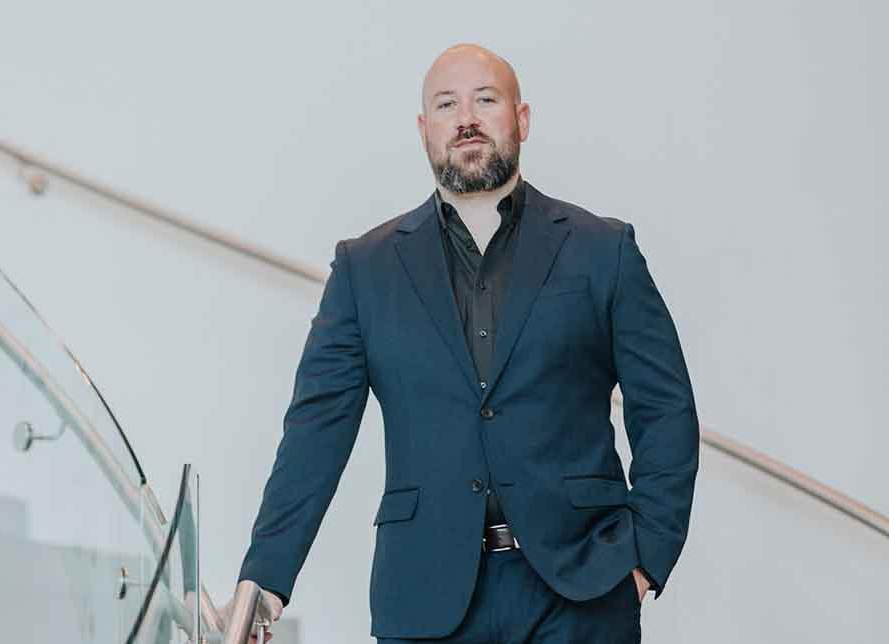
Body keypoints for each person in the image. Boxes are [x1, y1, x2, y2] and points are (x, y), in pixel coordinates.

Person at [223, 43, 700, 643]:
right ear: (425, 129)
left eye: (486, 99)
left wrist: (644, 555)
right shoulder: (364, 270)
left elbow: (666, 410)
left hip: (582, 594)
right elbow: (314, 434)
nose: (466, 118)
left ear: (521, 119)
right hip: (424, 596)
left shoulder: (603, 249)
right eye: (447, 105)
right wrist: (264, 581)